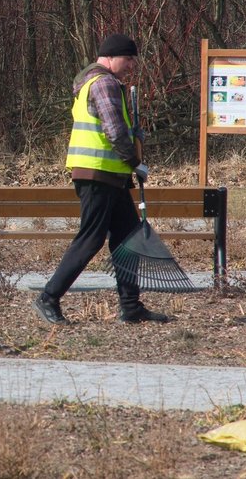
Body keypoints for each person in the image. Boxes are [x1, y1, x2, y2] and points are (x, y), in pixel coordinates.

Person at [32, 33, 169, 325]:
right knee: (91, 238)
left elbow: (119, 129)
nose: (132, 64)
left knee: (128, 237)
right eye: (128, 58)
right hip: (98, 173)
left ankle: (131, 307)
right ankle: (49, 297)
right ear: (111, 56)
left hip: (110, 176)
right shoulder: (104, 83)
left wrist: (134, 141)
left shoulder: (94, 83)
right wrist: (135, 161)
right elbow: (114, 132)